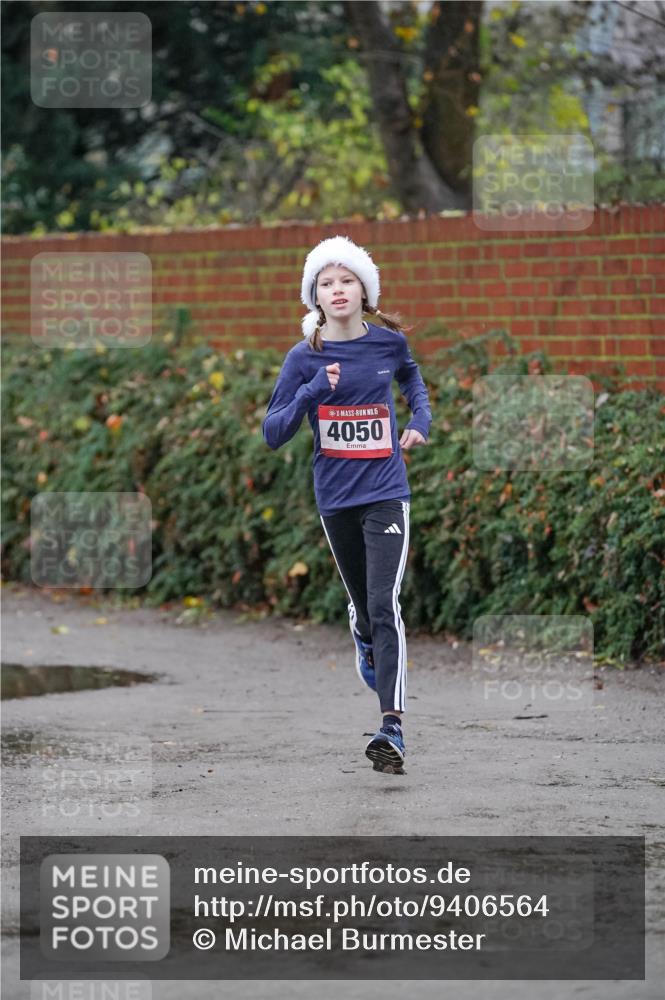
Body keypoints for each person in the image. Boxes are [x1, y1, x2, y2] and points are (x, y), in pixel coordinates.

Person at [262, 235, 432, 775]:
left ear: (365, 291)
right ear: (315, 297)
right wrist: (313, 390)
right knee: (363, 606)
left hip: (386, 492)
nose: (337, 290)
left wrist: (418, 423)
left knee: (385, 605)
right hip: (335, 499)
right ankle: (360, 633)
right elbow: (272, 432)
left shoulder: (388, 344)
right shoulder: (303, 357)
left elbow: (413, 383)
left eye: (347, 280)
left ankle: (393, 728)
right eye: (326, 283)